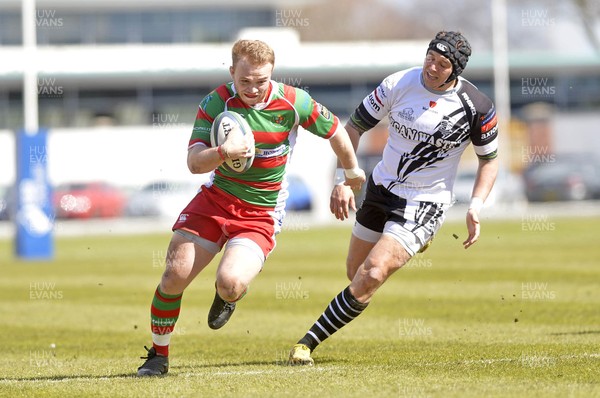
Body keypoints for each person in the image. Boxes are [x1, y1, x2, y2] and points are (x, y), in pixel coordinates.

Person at [136, 39, 366, 376]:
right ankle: (158, 356)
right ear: (232, 73)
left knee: (229, 282)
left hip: (261, 210)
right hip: (216, 199)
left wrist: (351, 173)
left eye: (261, 81)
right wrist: (223, 152)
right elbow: (193, 163)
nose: (254, 89)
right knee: (174, 276)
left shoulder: (293, 102)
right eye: (245, 82)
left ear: (271, 74)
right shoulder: (215, 102)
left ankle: (227, 296)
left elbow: (336, 132)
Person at [288, 31, 499, 365]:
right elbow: (353, 128)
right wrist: (346, 178)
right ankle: (413, 241)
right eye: (430, 57)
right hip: (380, 188)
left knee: (372, 274)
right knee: (356, 274)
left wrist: (475, 205)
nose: (432, 67)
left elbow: (489, 159)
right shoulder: (399, 82)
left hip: (425, 202)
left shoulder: (477, 106)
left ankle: (307, 343)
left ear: (455, 70)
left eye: (443, 64)